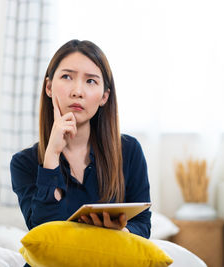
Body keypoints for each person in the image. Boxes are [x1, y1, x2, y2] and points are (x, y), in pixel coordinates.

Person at [10, 40, 151, 240]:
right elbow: (43, 236)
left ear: (104, 97)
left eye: (90, 81)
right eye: (67, 77)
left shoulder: (129, 151)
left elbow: (143, 225)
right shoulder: (23, 162)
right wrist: (52, 156)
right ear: (49, 87)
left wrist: (119, 233)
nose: (77, 91)